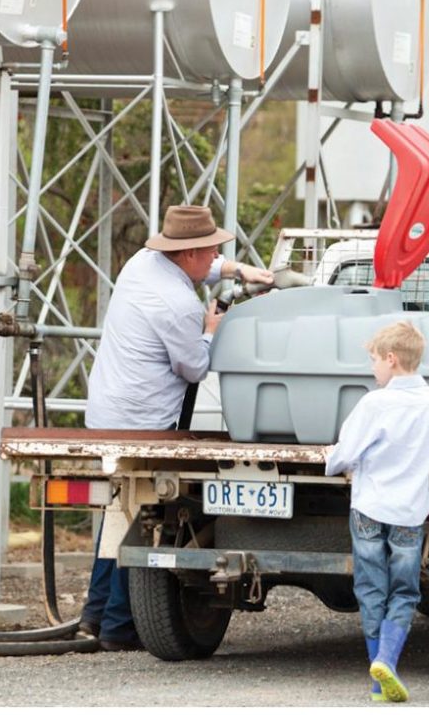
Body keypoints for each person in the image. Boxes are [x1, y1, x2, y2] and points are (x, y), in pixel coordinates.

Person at [79, 205, 274, 651]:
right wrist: (210, 330)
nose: (214, 260)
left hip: (108, 412)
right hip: (143, 422)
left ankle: (97, 615)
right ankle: (117, 626)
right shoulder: (179, 306)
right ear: (188, 254)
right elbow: (193, 367)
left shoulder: (142, 265)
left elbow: (205, 271)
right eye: (211, 252)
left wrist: (240, 270)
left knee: (121, 511)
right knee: (145, 516)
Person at [325, 321, 429, 702]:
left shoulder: (375, 402)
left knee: (371, 588)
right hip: (409, 510)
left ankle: (379, 678)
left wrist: (332, 462)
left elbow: (347, 450)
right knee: (405, 590)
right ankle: (388, 662)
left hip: (369, 508)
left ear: (391, 359)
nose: (373, 368)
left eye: (374, 360)